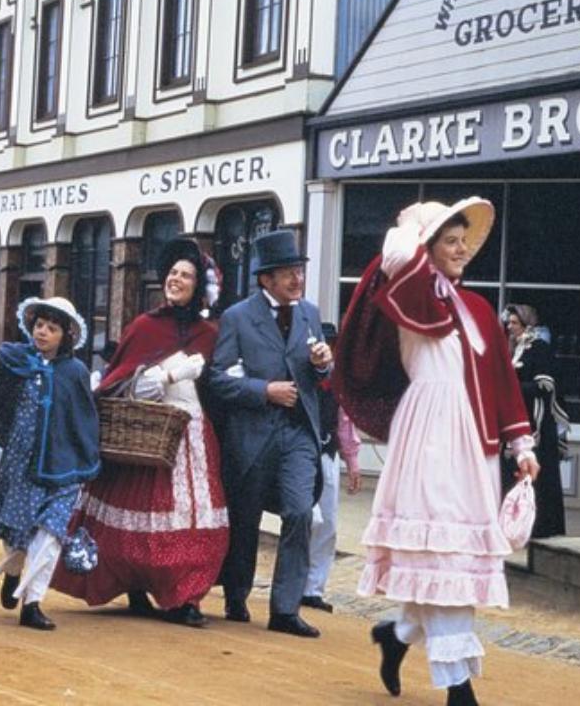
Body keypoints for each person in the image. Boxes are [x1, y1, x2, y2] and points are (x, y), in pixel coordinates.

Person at [334, 198, 540, 706]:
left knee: (456, 557)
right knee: (441, 553)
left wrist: (521, 443)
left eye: (464, 241)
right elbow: (395, 268)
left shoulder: (479, 308)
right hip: (428, 433)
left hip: (473, 441)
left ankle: (398, 634)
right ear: (428, 247)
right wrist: (415, 230)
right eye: (450, 241)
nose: (462, 249)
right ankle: (458, 689)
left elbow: (501, 380)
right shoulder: (414, 296)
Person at [51, 238, 229, 628]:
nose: (176, 280)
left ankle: (183, 595)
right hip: (144, 429)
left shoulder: (210, 332)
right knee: (136, 511)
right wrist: (158, 376)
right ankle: (134, 582)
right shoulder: (144, 326)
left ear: (198, 285)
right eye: (173, 273)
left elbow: (217, 382)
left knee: (188, 510)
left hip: (189, 432)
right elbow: (119, 378)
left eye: (186, 275)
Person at [208, 229, 333, 639]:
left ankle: (285, 609)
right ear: (266, 279)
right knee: (244, 520)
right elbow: (218, 379)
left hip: (298, 433)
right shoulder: (238, 317)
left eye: (298, 270)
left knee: (300, 512)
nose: (296, 279)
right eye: (287, 273)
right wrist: (264, 390)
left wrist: (321, 364)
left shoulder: (310, 314)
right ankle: (236, 593)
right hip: (252, 434)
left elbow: (320, 376)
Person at [0, 296, 100, 631]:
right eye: (39, 325)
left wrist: (87, 460)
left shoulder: (75, 372)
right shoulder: (16, 363)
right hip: (21, 464)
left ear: (65, 335)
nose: (43, 332)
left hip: (63, 466)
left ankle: (32, 602)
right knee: (18, 531)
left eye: (52, 328)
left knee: (50, 535)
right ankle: (12, 574)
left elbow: (84, 418)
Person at [302, 323, 362, 614]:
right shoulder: (301, 374)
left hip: (328, 453)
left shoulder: (339, 379)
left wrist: (352, 461)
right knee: (305, 520)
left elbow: (345, 421)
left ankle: (313, 589)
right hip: (301, 452)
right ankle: (294, 582)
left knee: (327, 524)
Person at [504, 304, 567, 539]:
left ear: (527, 324)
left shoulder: (539, 348)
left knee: (538, 476)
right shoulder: (513, 349)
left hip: (537, 424)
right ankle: (515, 525)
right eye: (509, 323)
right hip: (517, 421)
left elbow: (545, 385)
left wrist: (512, 388)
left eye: (515, 323)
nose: (510, 327)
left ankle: (540, 527)